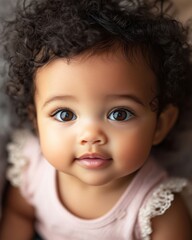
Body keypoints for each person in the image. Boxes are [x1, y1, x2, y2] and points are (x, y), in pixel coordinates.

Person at [0, 0, 192, 239]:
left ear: (160, 125)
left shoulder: (157, 210)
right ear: (36, 120)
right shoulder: (32, 168)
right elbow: (19, 214)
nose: (91, 135)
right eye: (65, 114)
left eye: (119, 114)